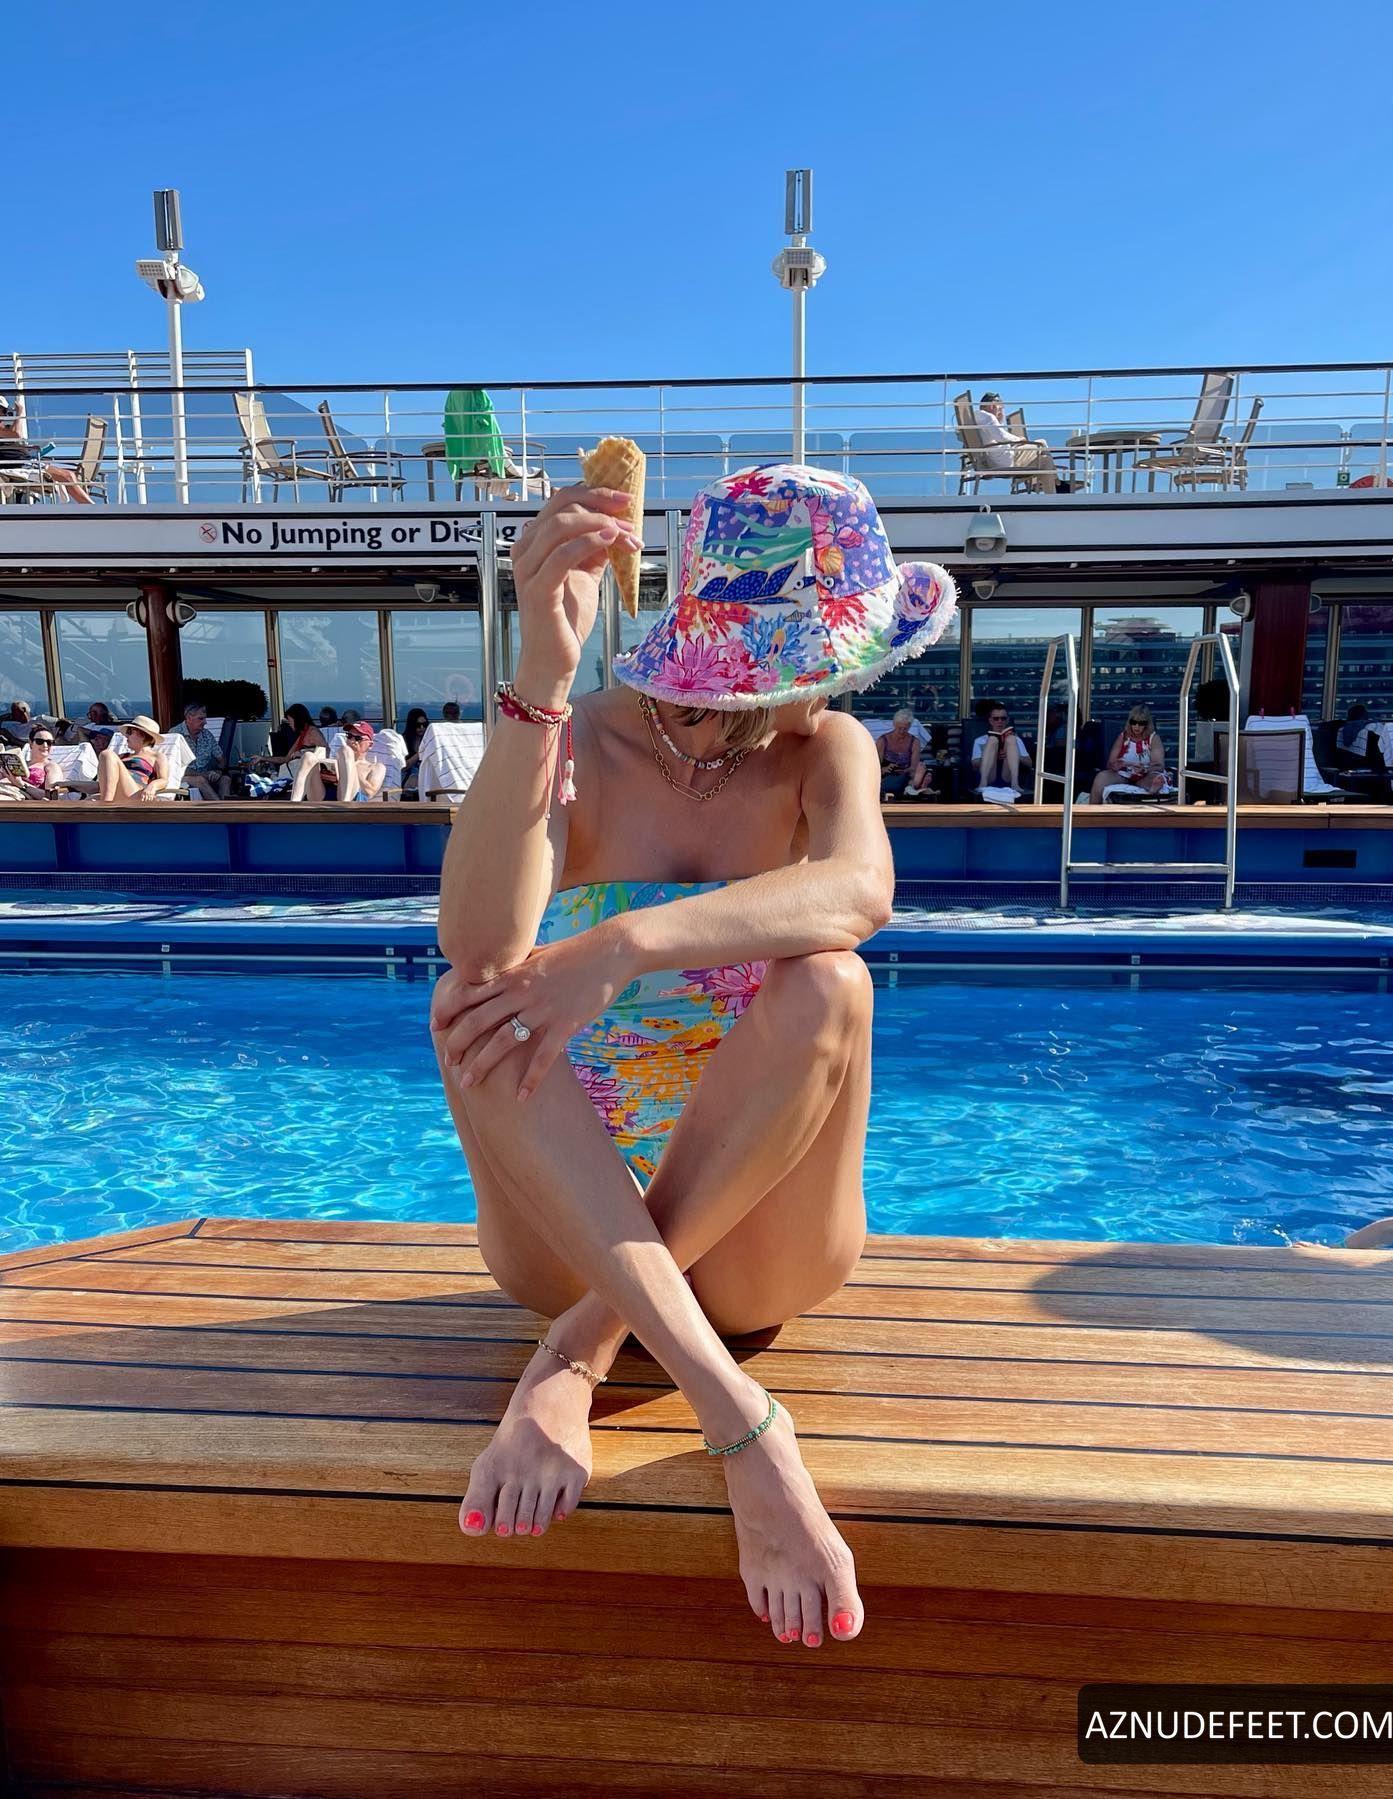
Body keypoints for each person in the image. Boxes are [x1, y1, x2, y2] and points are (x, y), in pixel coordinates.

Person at [428, 462, 955, 1642]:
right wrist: (541, 675)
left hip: (766, 1245)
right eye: (831, 657)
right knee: (470, 999)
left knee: (831, 981)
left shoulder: (826, 750)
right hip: (568, 1229)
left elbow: (860, 889)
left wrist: (620, 945)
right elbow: (476, 939)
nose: (844, 683)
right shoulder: (580, 738)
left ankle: (580, 1349)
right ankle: (742, 1420)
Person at [972, 393, 1072, 496]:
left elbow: (995, 437)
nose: (1000, 412)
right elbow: (1001, 436)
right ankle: (1054, 490)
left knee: (1044, 457)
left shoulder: (975, 417)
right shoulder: (988, 417)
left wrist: (1000, 422)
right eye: (1000, 408)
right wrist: (1019, 440)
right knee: (1043, 449)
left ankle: (1054, 484)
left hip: (996, 458)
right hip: (1006, 461)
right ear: (992, 405)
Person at [0, 397, 95, 504]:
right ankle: (93, 509)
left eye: (5, 411)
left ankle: (91, 508)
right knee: (68, 476)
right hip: (19, 465)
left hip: (26, 462)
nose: (3, 414)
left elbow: (15, 436)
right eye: (2, 410)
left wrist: (28, 448)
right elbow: (16, 434)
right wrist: (20, 413)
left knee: (70, 475)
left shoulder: (4, 428)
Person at [289, 717, 385, 802]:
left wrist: (353, 768)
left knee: (345, 750)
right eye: (349, 736)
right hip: (325, 795)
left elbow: (370, 792)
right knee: (308, 756)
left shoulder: (376, 767)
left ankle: (344, 807)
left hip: (352, 800)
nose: (352, 741)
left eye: (358, 738)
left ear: (370, 745)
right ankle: (293, 805)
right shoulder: (338, 760)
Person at [1090, 705, 1168, 802]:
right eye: (1133, 722)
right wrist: (1115, 765)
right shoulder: (1122, 737)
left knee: (1156, 780)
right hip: (1124, 773)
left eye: (1141, 723)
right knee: (1100, 778)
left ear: (1147, 724)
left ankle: (1148, 798)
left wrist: (1145, 769)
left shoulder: (1154, 738)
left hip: (1146, 773)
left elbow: (1159, 765)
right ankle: (1093, 808)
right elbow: (1110, 763)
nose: (1137, 726)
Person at [96, 716, 169, 803]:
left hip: (136, 794)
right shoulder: (121, 757)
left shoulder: (156, 756)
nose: (126, 736)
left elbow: (164, 780)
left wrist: (152, 786)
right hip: (117, 794)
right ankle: (104, 804)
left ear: (143, 735)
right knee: (88, 800)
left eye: (130, 732)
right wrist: (79, 784)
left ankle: (105, 806)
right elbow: (104, 783)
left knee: (107, 754)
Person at [171, 703, 229, 801]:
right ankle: (220, 808)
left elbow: (221, 758)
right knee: (200, 780)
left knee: (225, 779)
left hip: (205, 775)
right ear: (189, 718)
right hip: (182, 777)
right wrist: (204, 774)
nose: (205, 722)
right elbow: (174, 767)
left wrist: (218, 771)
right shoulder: (175, 735)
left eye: (205, 718)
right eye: (201, 719)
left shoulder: (207, 735)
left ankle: (226, 807)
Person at [971, 701, 1032, 794]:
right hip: (989, 777)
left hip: (1007, 777)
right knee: (992, 740)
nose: (1000, 721)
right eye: (996, 719)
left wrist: (1014, 754)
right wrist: (993, 755)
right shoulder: (980, 740)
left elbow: (1029, 763)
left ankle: (1015, 784)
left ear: (1007, 720)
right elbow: (974, 765)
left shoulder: (1016, 739)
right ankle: (982, 784)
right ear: (990, 721)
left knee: (1011, 739)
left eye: (1003, 718)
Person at [875, 708, 932, 800]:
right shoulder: (883, 741)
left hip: (907, 774)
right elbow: (875, 766)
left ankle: (912, 787)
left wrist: (907, 770)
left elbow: (913, 767)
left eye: (905, 729)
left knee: (920, 767)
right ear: (894, 725)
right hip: (886, 776)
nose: (901, 731)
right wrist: (884, 769)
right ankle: (915, 788)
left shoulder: (914, 742)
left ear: (909, 727)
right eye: (899, 728)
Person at [23, 724, 61, 795]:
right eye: (39, 741)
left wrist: (21, 784)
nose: (45, 745)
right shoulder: (21, 763)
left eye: (49, 742)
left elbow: (51, 796)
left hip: (18, 797)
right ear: (31, 743)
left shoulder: (51, 766)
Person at [401, 707, 431, 791]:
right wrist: (419, 753)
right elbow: (403, 767)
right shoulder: (403, 741)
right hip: (408, 775)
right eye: (418, 725)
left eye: (424, 725)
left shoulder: (429, 739)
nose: (421, 727)